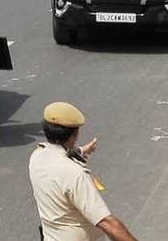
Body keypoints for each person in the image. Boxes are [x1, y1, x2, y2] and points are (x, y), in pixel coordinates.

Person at [28, 102, 137, 241]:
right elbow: (107, 223)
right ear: (74, 135)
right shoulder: (74, 173)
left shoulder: (37, 156)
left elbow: (58, 155)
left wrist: (80, 151)